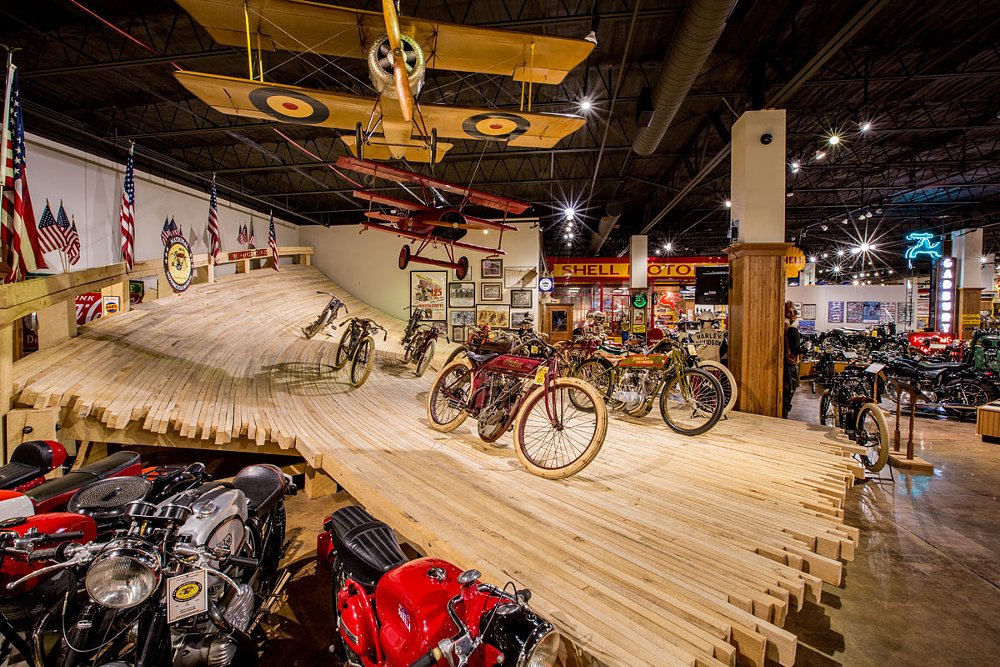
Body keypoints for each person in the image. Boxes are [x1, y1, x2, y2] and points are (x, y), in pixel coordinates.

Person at [783, 301, 802, 418]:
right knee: (788, 392)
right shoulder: (792, 330)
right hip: (790, 364)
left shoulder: (782, 328)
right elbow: (795, 349)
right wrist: (804, 349)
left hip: (784, 364)